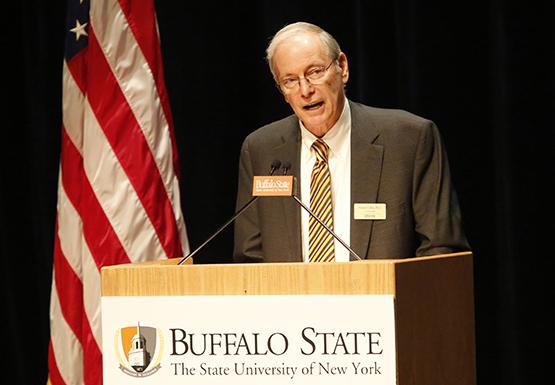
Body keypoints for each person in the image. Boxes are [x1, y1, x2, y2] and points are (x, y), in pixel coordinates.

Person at [233, 22, 469, 263]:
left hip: (385, 299)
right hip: (291, 301)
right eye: (290, 80)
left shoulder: (409, 139)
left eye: (315, 72)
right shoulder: (260, 150)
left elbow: (441, 250)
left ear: (342, 67)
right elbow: (250, 258)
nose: (305, 90)